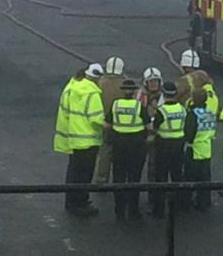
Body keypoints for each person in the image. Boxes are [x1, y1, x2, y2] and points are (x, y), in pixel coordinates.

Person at [54, 63, 105, 217]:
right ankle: (81, 203)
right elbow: (96, 118)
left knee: (73, 172)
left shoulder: (71, 87)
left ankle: (71, 202)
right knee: (84, 175)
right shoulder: (92, 92)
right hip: (88, 140)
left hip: (73, 138)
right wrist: (110, 123)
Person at [104, 80, 151, 221]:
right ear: (134, 92)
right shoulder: (139, 106)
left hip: (119, 144)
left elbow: (106, 125)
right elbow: (149, 127)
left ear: (123, 90)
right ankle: (133, 210)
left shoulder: (116, 104)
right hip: (136, 146)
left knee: (118, 177)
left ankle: (119, 210)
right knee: (134, 178)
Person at [152, 82, 187, 218]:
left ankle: (158, 209)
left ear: (164, 94)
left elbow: (155, 127)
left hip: (164, 144)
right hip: (179, 144)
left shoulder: (162, 111)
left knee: (161, 177)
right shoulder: (182, 109)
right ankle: (178, 206)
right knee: (177, 175)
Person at [93, 57, 126, 184]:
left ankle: (101, 179)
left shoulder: (100, 83)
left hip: (104, 123)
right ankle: (120, 180)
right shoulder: (125, 84)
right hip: (122, 125)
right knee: (121, 153)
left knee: (104, 153)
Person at [184, 89, 216, 211]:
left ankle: (187, 202)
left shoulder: (192, 114)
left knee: (190, 177)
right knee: (205, 178)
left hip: (194, 149)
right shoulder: (209, 113)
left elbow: (189, 133)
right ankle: (204, 202)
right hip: (206, 148)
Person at [137, 67, 164, 204]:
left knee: (154, 168)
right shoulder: (140, 96)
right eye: (151, 82)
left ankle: (153, 198)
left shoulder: (163, 97)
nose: (153, 84)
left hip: (157, 138)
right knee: (136, 167)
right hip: (141, 137)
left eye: (156, 82)